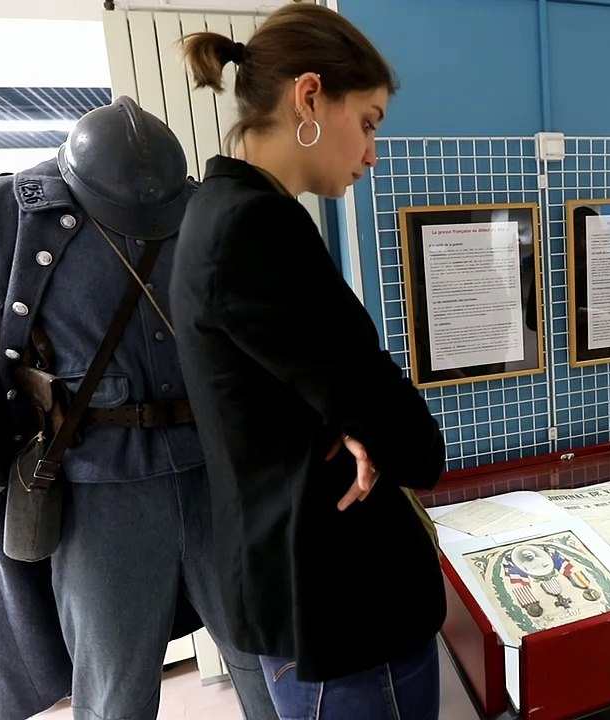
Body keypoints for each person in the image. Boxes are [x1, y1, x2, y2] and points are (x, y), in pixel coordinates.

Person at [0, 97, 277, 720]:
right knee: (115, 687)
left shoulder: (209, 210)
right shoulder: (1, 216)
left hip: (220, 480)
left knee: (269, 662)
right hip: (95, 493)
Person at [169, 5, 447, 719]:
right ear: (311, 97)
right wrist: (367, 424)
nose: (372, 153)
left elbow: (312, 387)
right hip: (337, 600)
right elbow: (410, 440)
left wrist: (351, 419)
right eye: (371, 122)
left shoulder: (219, 209)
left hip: (302, 576)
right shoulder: (255, 225)